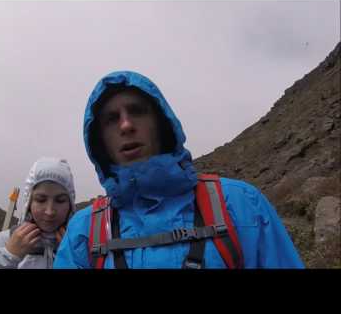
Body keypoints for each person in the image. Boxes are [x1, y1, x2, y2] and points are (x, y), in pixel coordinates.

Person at [53, 70, 304, 269]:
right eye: (111, 119)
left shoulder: (242, 205)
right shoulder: (84, 230)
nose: (126, 124)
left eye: (137, 111)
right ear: (99, 140)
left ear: (161, 123)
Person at [0, 157, 76, 269]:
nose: (49, 212)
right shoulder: (3, 242)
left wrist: (74, 260)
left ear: (70, 204)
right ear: (28, 202)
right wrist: (9, 256)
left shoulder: (82, 244)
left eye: (60, 200)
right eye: (40, 200)